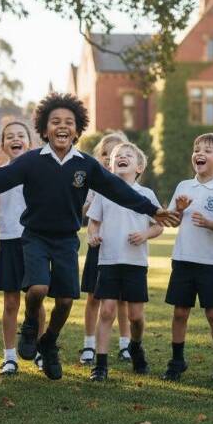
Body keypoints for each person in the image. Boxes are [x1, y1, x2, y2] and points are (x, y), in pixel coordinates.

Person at [0, 92, 179, 380]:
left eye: (69, 122)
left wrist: (152, 210)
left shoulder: (86, 164)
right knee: (36, 289)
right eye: (55, 121)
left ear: (77, 129)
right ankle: (31, 325)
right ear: (44, 129)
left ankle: (48, 343)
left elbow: (119, 190)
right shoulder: (32, 161)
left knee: (65, 302)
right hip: (34, 236)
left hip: (66, 241)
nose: (62, 126)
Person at [86, 142, 163, 381]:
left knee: (135, 317)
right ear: (110, 165)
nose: (122, 157)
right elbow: (93, 222)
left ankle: (136, 346)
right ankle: (101, 364)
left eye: (128, 155)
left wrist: (145, 235)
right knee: (107, 311)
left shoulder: (146, 194)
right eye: (118, 156)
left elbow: (159, 225)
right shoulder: (103, 192)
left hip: (135, 263)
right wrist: (92, 236)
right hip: (108, 260)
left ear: (139, 167)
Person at [161, 133, 213, 383]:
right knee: (180, 312)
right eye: (197, 149)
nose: (200, 153)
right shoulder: (184, 186)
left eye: (208, 150)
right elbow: (171, 221)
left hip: (210, 262)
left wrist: (209, 223)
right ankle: (177, 360)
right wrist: (179, 210)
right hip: (182, 259)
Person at [0, 121, 47, 375]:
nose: (15, 139)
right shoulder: (0, 173)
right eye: (10, 136)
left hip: (35, 242)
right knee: (10, 303)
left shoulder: (39, 171)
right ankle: (9, 357)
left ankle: (40, 351)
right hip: (9, 241)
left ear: (29, 143)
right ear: (3, 145)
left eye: (21, 135)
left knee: (36, 299)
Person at [80, 131, 132, 366]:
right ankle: (89, 344)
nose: (108, 157)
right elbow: (85, 212)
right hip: (98, 247)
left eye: (114, 153)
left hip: (123, 249)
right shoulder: (95, 185)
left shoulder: (130, 186)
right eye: (104, 154)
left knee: (122, 299)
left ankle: (125, 344)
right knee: (93, 296)